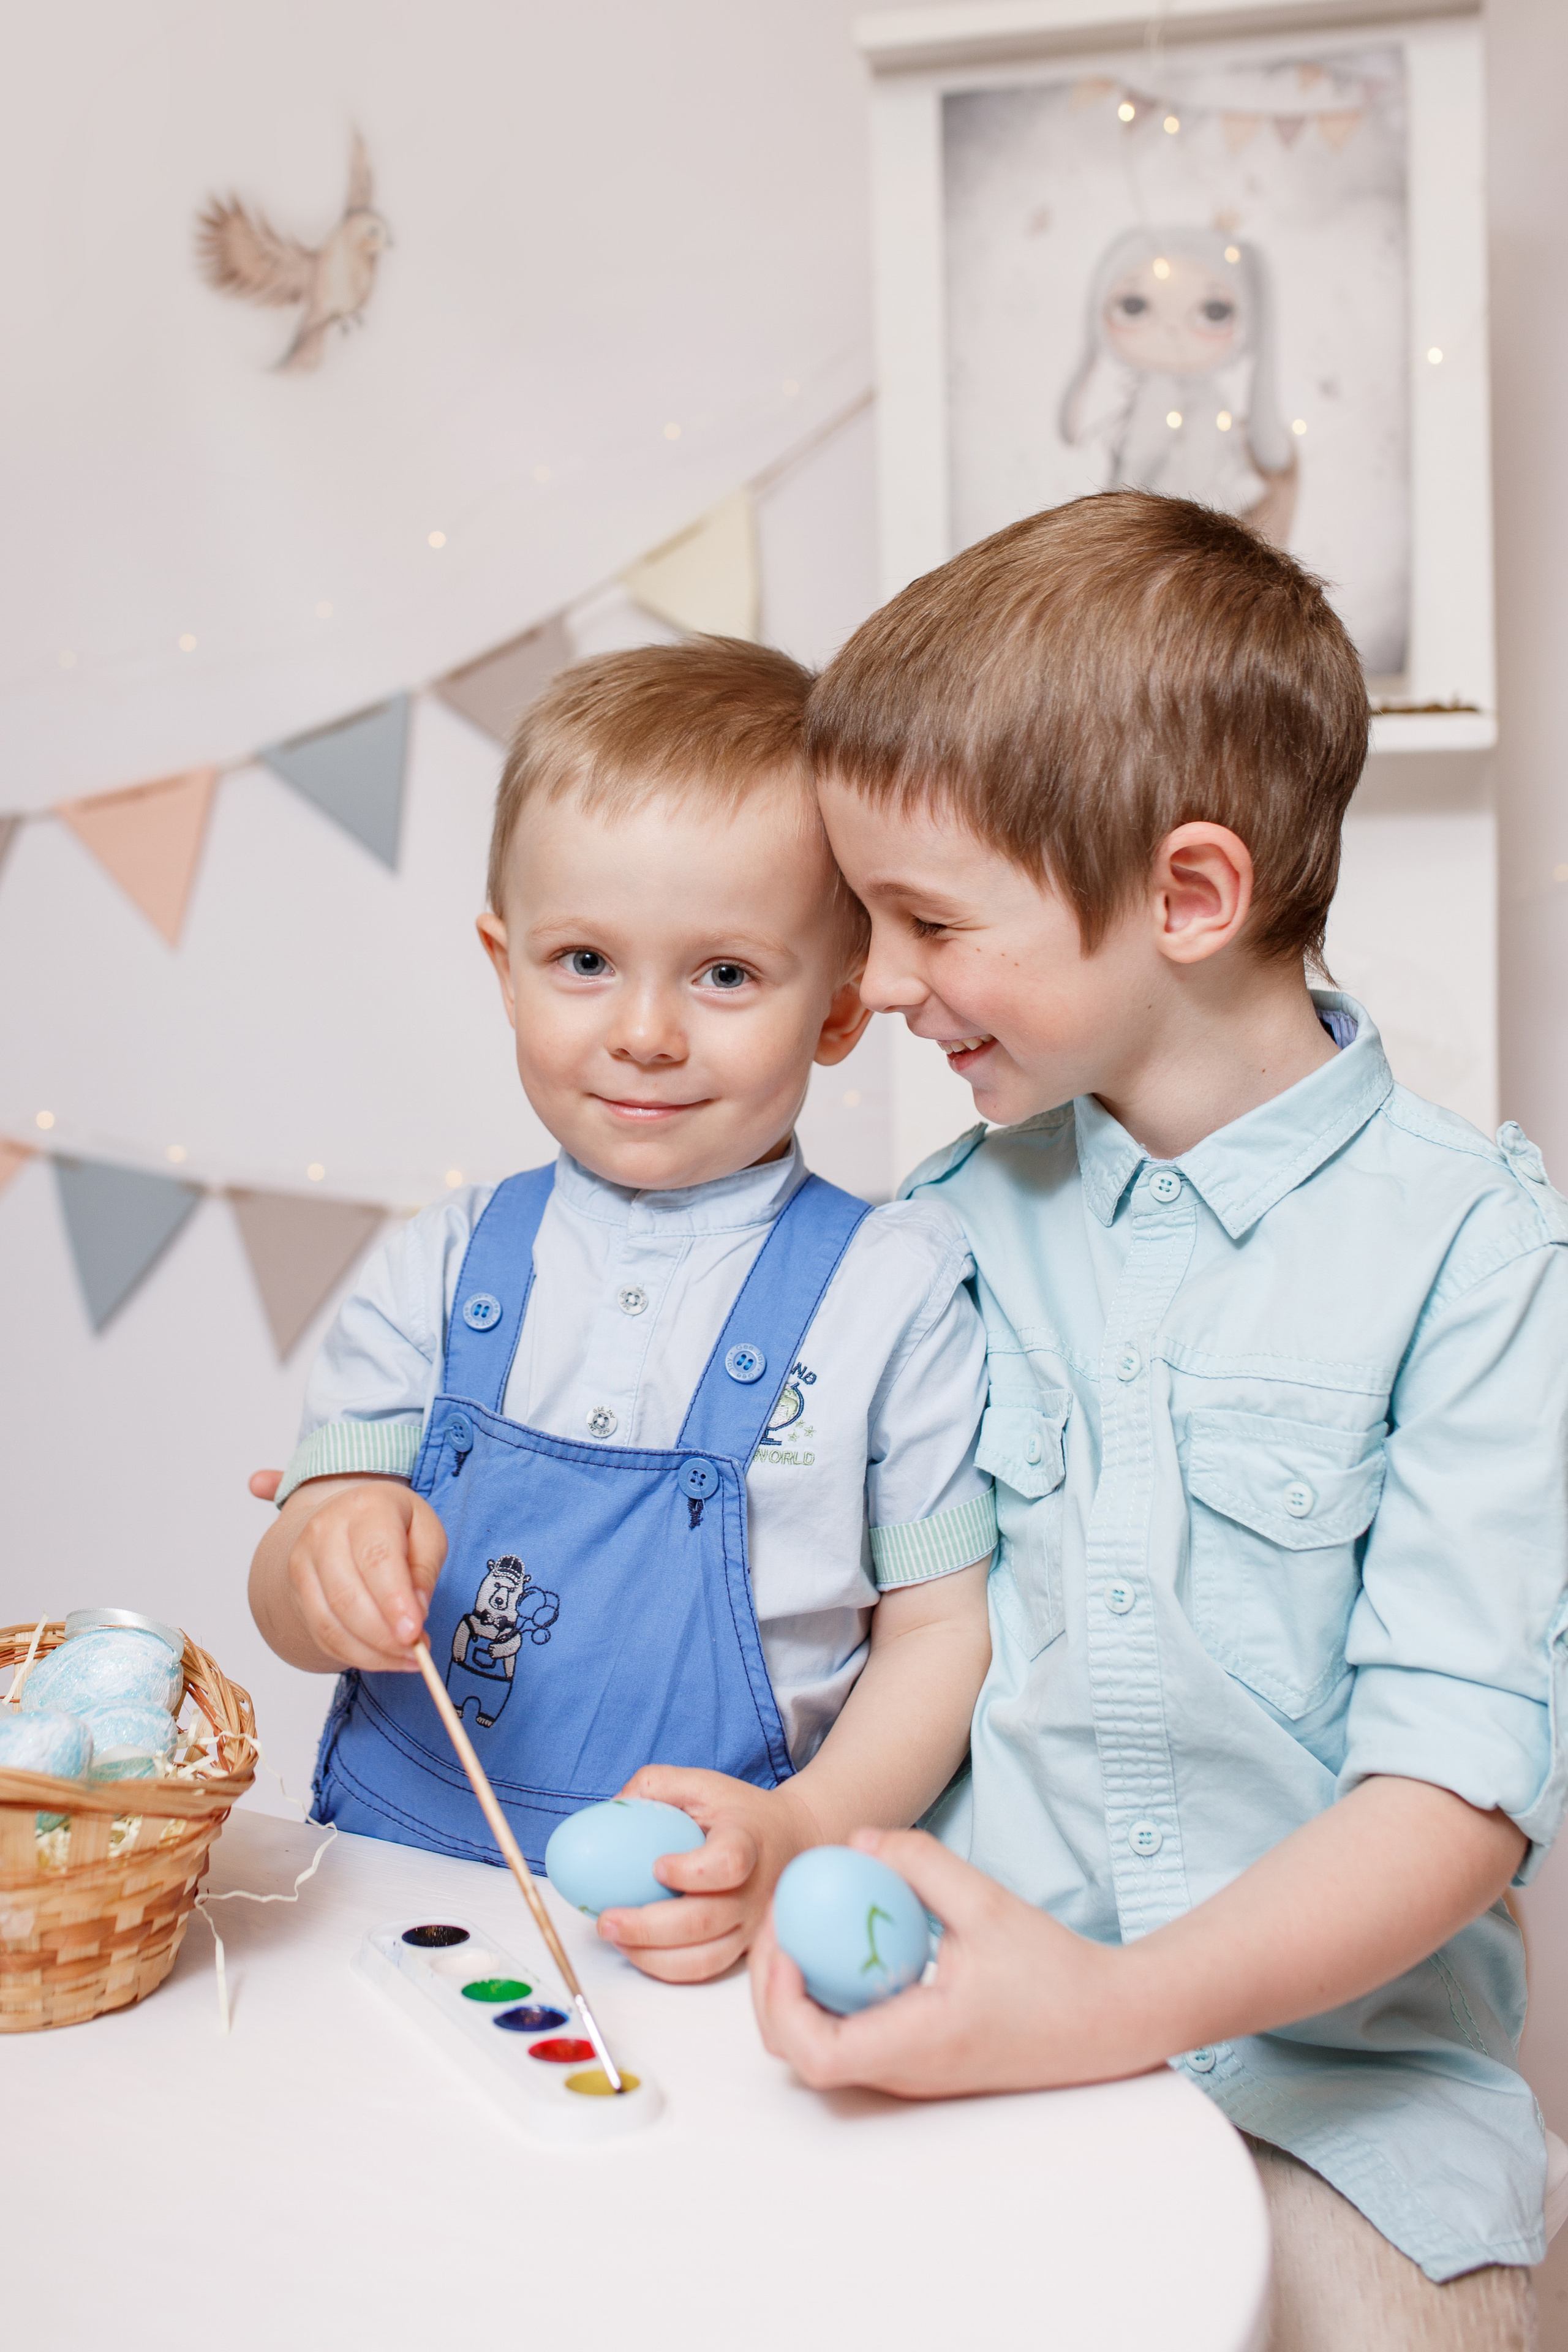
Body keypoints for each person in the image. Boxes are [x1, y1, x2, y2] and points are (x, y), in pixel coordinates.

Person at [750, 492, 1567, 2346]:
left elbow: (1453, 1797)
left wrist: (1105, 2012)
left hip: (1351, 2126)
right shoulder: (937, 1238)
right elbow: (851, 1621)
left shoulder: (1478, 1256)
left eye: (927, 921)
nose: (871, 989)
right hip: (959, 2061)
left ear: (1191, 897)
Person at [248, 637, 994, 1982]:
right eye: (584, 959)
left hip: (704, 1911)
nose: (645, 1030)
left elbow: (939, 1634)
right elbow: (289, 1583)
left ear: (836, 1011)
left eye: (723, 975)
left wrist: (802, 1828)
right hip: (387, 1887)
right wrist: (327, 1566)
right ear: (505, 964)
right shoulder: (440, 1264)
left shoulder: (895, 1293)